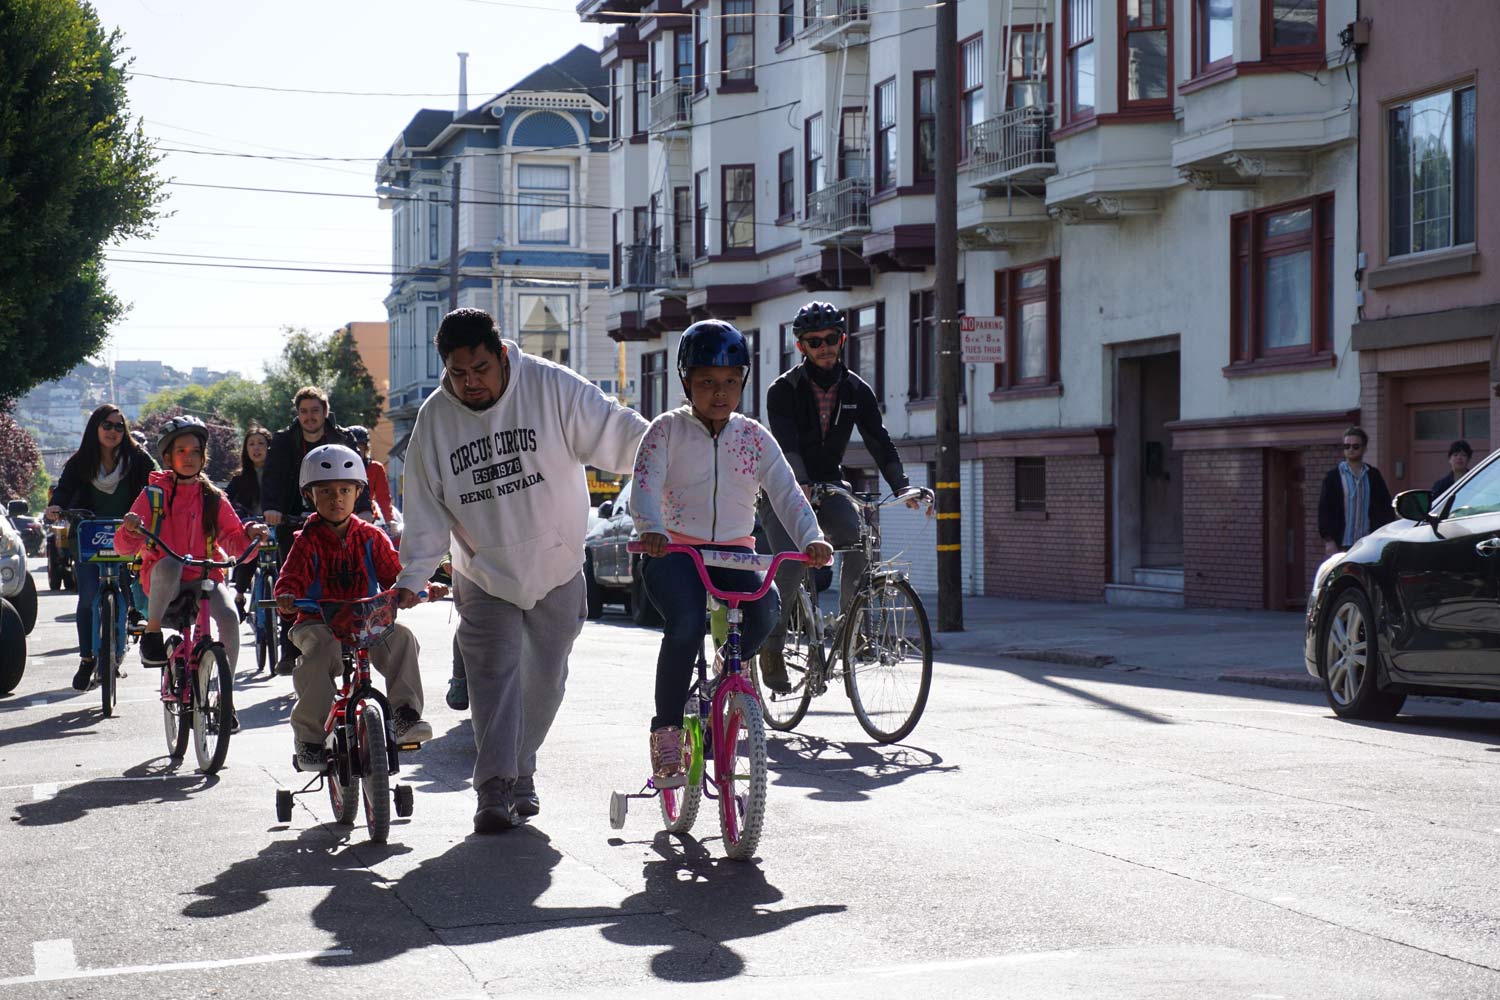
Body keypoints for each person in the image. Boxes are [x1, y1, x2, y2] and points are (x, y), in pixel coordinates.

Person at [395, 307, 648, 833]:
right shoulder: (435, 420)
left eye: (481, 369)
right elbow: (422, 506)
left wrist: (675, 450)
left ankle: (519, 768)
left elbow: (618, 431)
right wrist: (412, 577)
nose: (471, 384)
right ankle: (493, 788)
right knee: (492, 678)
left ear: (501, 353)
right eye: (459, 374)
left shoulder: (550, 386)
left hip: (557, 565)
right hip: (483, 571)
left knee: (544, 682)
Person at [631, 320, 832, 787]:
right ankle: (666, 732)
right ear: (686, 382)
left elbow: (786, 493)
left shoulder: (754, 437)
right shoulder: (665, 431)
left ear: (743, 381)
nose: (719, 393)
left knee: (766, 613)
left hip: (735, 552)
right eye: (706, 382)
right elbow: (643, 487)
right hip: (675, 549)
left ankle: (728, 669)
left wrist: (811, 538)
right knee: (684, 624)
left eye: (730, 382)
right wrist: (652, 529)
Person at [759, 300, 919, 691]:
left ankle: (853, 628)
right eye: (814, 342)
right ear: (801, 346)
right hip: (784, 488)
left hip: (830, 486)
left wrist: (902, 485)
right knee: (793, 564)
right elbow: (787, 442)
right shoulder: (783, 390)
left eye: (831, 339)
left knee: (860, 540)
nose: (824, 347)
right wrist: (799, 480)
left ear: (842, 339)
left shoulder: (856, 390)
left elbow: (879, 440)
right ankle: (772, 646)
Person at [274, 444, 435, 769]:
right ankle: (309, 739)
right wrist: (287, 596)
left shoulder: (371, 536)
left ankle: (405, 714)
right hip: (317, 621)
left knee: (402, 637)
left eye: (345, 490)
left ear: (358, 491)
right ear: (310, 496)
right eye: (326, 491)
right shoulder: (306, 541)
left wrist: (417, 588)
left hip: (367, 619)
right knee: (319, 655)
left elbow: (397, 573)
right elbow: (289, 578)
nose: (336, 498)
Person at [114, 416, 268, 681]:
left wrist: (250, 533)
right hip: (162, 582)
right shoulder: (154, 495)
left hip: (203, 578)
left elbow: (233, 538)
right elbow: (123, 546)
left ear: (203, 456)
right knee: (173, 563)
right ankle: (152, 634)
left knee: (230, 618)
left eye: (195, 451)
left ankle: (225, 697)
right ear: (167, 458)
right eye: (181, 451)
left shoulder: (213, 497)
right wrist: (130, 528)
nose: (189, 457)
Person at [45, 404, 156, 691]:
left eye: (119, 426)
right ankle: (86, 659)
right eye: (107, 425)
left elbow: (157, 482)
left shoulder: (137, 459)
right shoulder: (80, 462)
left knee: (124, 592)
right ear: (95, 427)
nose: (113, 431)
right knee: (88, 598)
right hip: (88, 537)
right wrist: (56, 505)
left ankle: (117, 651)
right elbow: (64, 488)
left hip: (127, 536)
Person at [261, 387, 369, 669]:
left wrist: (365, 508)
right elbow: (271, 478)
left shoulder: (342, 438)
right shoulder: (283, 442)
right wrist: (272, 509)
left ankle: (352, 634)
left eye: (315, 411)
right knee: (292, 584)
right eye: (304, 411)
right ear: (298, 414)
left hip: (338, 518)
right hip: (293, 520)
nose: (309, 417)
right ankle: (289, 647)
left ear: (325, 412)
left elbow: (359, 473)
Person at [1317, 425, 1393, 556]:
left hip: (1367, 542)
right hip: (1341, 543)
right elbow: (1324, 509)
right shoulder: (1333, 477)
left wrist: (1382, 536)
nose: (1351, 450)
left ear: (1364, 448)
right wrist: (1328, 540)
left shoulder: (1373, 475)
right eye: (1347, 446)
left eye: (1355, 446)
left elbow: (1384, 506)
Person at [226, 424, 272, 620]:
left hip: (276, 527)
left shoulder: (279, 475)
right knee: (247, 555)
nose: (256, 448)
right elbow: (225, 502)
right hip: (250, 527)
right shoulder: (239, 478)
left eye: (261, 443)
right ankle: (239, 595)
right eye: (251, 444)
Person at [345, 424, 402, 541]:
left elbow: (383, 498)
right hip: (342, 517)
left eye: (359, 447)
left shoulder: (376, 468)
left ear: (366, 447)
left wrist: (390, 520)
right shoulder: (339, 469)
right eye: (352, 447)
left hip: (367, 517)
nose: (355, 450)